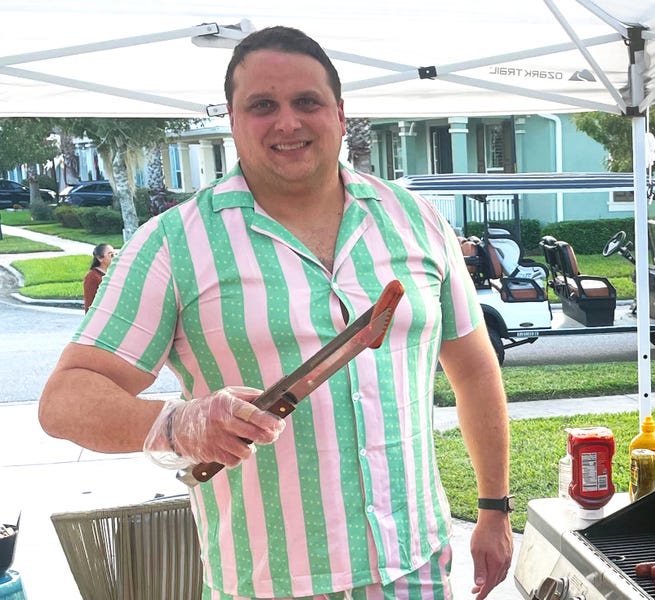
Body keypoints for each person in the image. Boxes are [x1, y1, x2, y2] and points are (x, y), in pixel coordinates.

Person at [39, 26, 512, 600]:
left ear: (340, 114)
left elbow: (474, 369)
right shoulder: (173, 243)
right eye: (262, 105)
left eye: (306, 102)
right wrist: (176, 425)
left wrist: (494, 506)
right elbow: (64, 400)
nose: (287, 122)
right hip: (266, 584)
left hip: (416, 570)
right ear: (233, 121)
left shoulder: (417, 220)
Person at [82, 243, 114, 312]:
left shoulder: (115, 272)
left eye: (115, 254)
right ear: (100, 258)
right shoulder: (92, 276)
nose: (115, 257)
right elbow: (90, 302)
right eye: (111, 255)